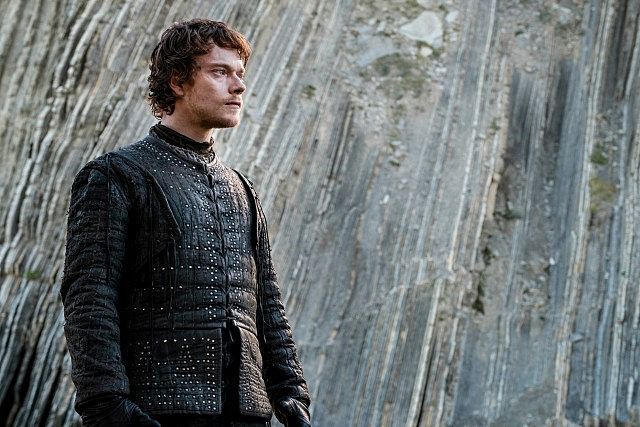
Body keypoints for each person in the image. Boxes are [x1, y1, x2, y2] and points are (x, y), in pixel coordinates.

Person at [60, 19, 311, 427]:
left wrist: (291, 392)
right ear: (177, 81)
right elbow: (90, 297)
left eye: (240, 73)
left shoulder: (242, 189)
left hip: (248, 413)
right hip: (158, 412)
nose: (239, 86)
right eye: (220, 72)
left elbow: (267, 302)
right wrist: (107, 406)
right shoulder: (116, 175)